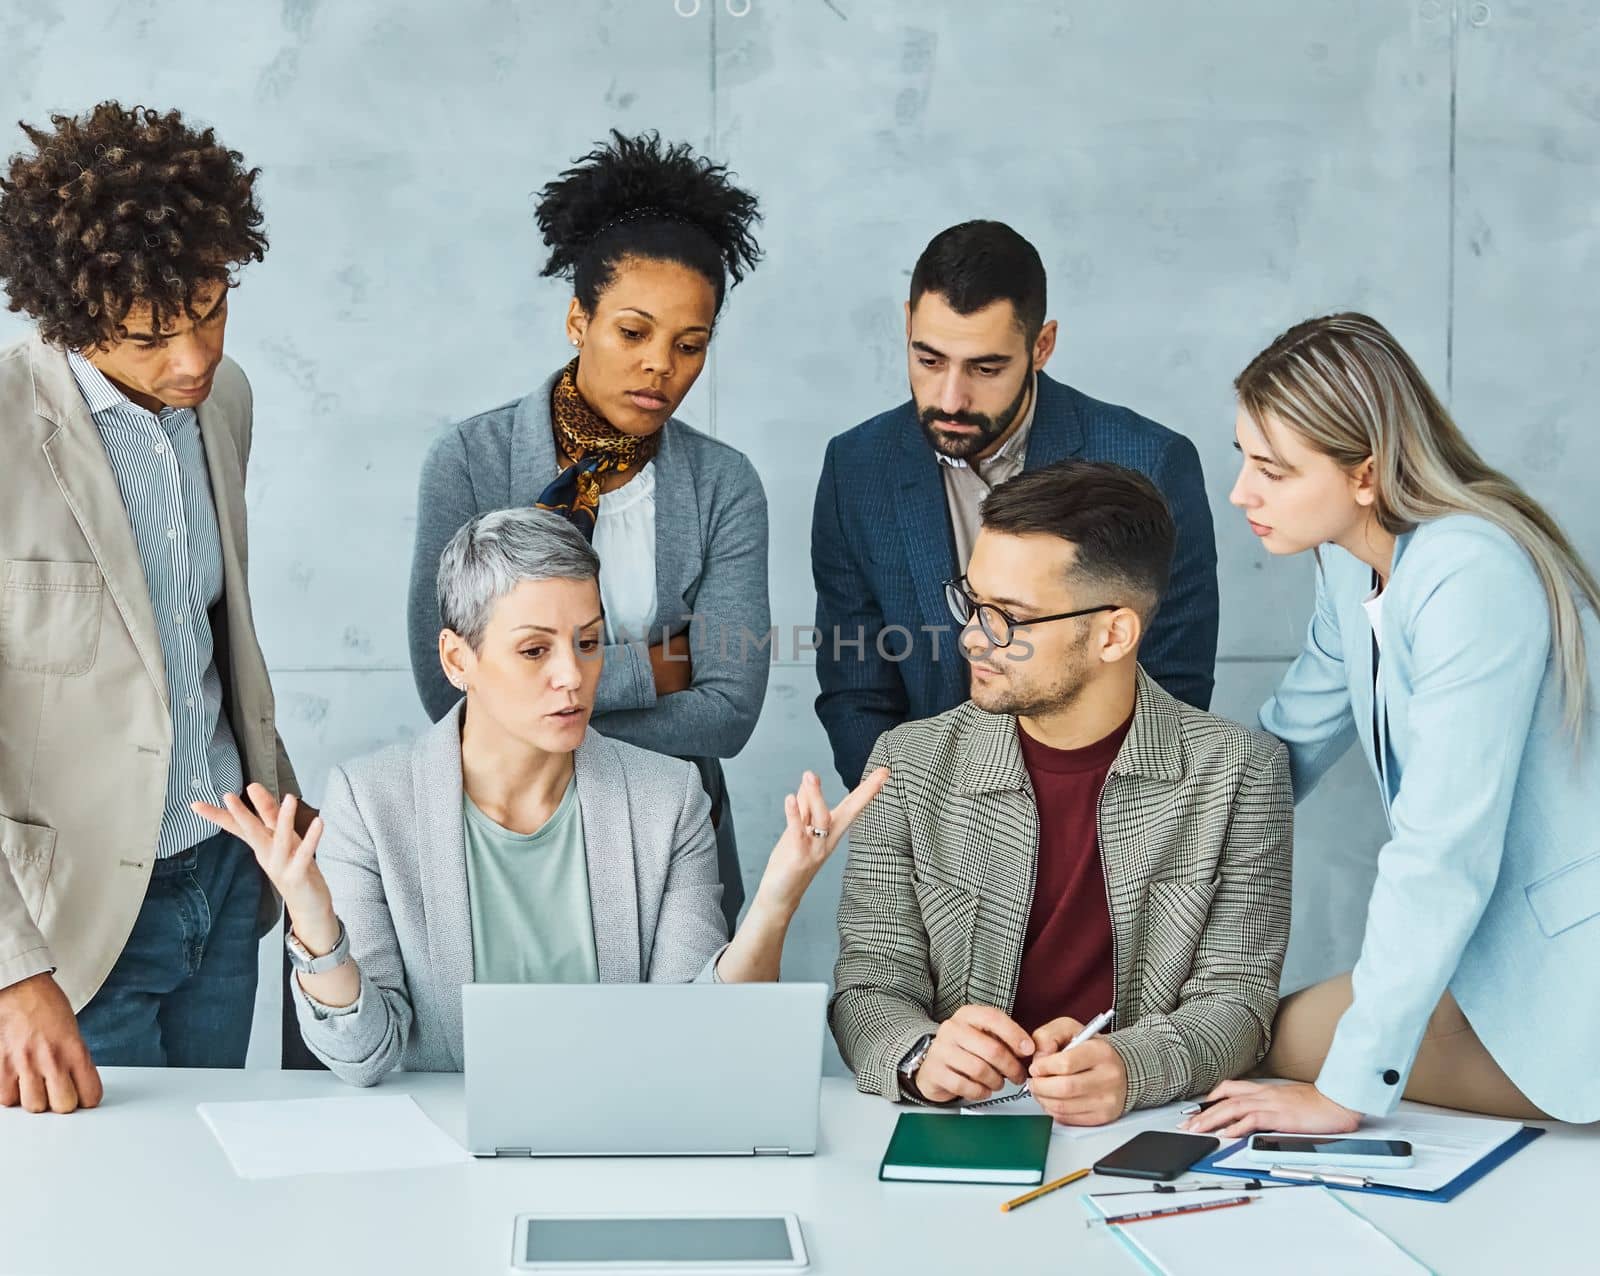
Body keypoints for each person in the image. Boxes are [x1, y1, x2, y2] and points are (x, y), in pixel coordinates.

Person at [201, 509, 885, 1086]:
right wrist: (317, 923)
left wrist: (776, 899)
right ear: (455, 660)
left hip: (620, 1148)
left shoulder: (668, 798)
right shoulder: (371, 803)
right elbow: (364, 1059)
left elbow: (698, 1039)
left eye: (588, 643)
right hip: (441, 1169)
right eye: (534, 650)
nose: (574, 677)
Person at [1182, 313, 1600, 1138]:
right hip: (1482, 953)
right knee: (1241, 1037)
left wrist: (1344, 1096)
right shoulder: (1350, 560)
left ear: (1365, 474)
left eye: (1273, 469)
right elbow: (1284, 743)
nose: (1240, 493)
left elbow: (1442, 850)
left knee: (1258, 1045)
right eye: (1243, 459)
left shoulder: (1470, 575)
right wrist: (1127, 841)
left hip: (1566, 971)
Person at [0, 102, 307, 1112]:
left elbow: (210, 638)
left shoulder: (227, 403)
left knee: (211, 1191)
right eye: (147, 337)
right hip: (75, 920)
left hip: (223, 881)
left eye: (212, 309)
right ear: (64, 316)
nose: (192, 359)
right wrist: (11, 971)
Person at [830, 460, 1290, 1124]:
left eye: (1009, 618)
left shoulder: (1239, 771)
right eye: (973, 603)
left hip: (1142, 1126)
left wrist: (1133, 1067)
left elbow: (1239, 1004)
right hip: (959, 1127)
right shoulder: (909, 762)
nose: (971, 638)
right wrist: (919, 1054)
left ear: (1114, 633)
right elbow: (870, 985)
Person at [407, 131, 769, 935]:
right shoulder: (470, 461)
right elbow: (446, 690)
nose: (660, 368)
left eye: (690, 344)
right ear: (580, 319)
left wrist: (534, 681)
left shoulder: (724, 484)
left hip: (676, 842)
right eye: (632, 333)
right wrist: (668, 664)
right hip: (500, 833)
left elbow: (731, 709)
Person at [812, 220, 1220, 789]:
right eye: (929, 360)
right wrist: (911, 828)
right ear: (907, 326)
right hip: (927, 833)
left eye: (986, 368)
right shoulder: (854, 469)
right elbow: (856, 691)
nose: (951, 398)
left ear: (1042, 346)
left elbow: (1175, 685)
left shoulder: (1150, 463)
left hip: (1106, 826)